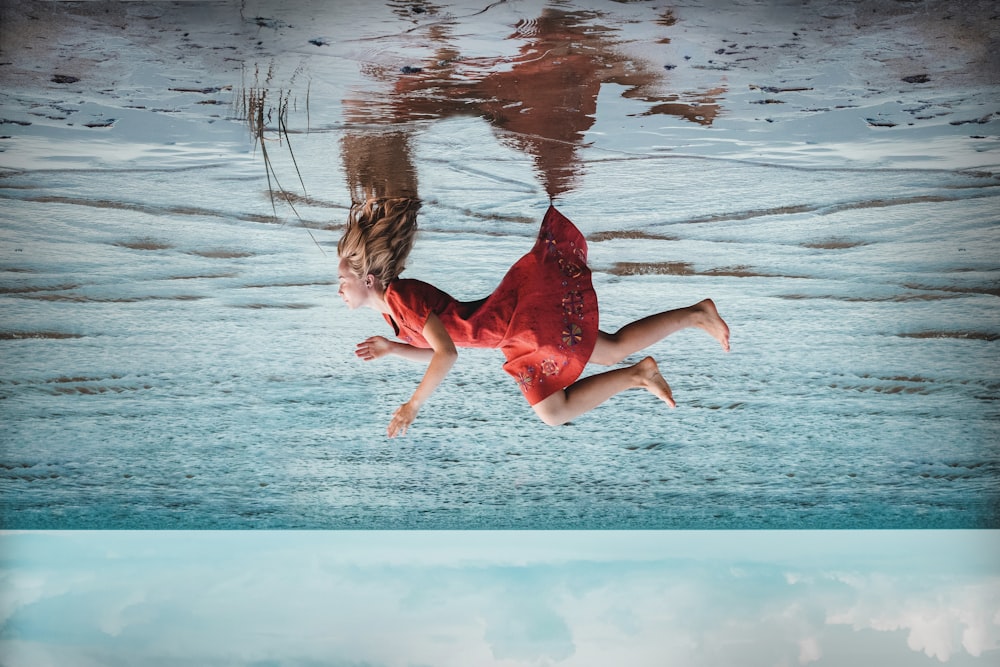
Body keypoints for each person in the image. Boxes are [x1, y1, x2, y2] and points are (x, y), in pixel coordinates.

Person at [337, 197, 730, 438]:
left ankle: (678, 334)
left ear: (368, 279)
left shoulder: (402, 297)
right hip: (511, 335)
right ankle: (666, 346)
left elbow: (447, 355)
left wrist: (413, 404)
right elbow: (441, 349)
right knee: (598, 363)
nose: (339, 288)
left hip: (517, 321)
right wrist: (393, 348)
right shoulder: (395, 316)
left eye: (342, 280)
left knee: (557, 407)